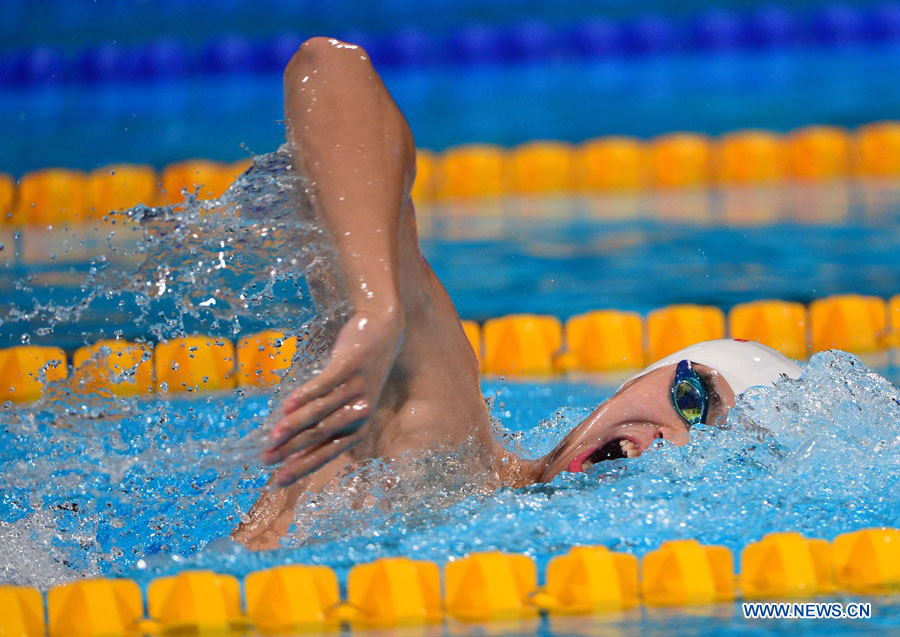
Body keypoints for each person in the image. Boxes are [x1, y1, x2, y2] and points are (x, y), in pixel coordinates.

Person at [230, 38, 802, 550]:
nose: (671, 443)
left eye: (709, 460)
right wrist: (378, 307)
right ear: (639, 380)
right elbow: (329, 70)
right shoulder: (451, 453)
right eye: (693, 400)